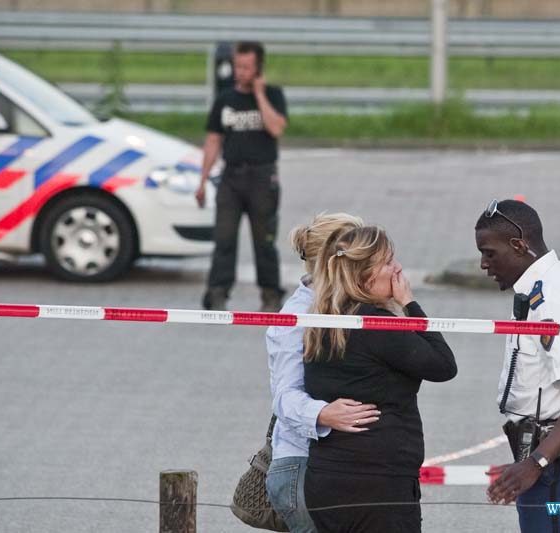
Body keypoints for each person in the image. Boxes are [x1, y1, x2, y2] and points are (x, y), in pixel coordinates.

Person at [302, 226, 458, 533]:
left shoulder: (319, 322)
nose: (398, 268)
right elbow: (443, 365)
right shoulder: (377, 324)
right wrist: (410, 304)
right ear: (364, 275)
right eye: (388, 262)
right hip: (378, 483)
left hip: (327, 475)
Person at [475, 199, 560, 533]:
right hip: (556, 453)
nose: (483, 263)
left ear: (519, 245)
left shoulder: (553, 297)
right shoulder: (554, 283)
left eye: (489, 253)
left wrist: (536, 463)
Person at [265, 213, 381, 532]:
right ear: (336, 262)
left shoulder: (348, 306)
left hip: (335, 466)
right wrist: (323, 414)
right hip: (299, 467)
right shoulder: (294, 318)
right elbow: (284, 398)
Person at [196, 40, 288, 312]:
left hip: (262, 178)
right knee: (223, 239)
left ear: (259, 68)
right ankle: (217, 293)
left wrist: (259, 95)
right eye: (238, 66)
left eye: (247, 67)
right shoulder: (225, 100)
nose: (241, 71)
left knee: (265, 242)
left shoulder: (273, 94)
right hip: (231, 179)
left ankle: (270, 294)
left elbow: (277, 128)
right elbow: (213, 140)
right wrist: (202, 180)